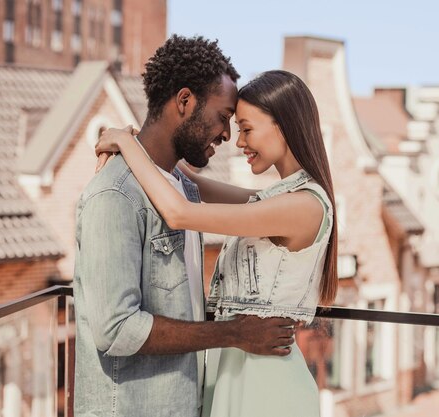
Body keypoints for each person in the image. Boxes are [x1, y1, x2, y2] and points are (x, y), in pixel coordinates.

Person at [73, 35, 297, 417]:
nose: (227, 134)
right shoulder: (114, 194)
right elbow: (116, 328)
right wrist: (234, 333)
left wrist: (126, 141)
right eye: (223, 116)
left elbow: (264, 210)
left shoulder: (184, 189)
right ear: (184, 101)